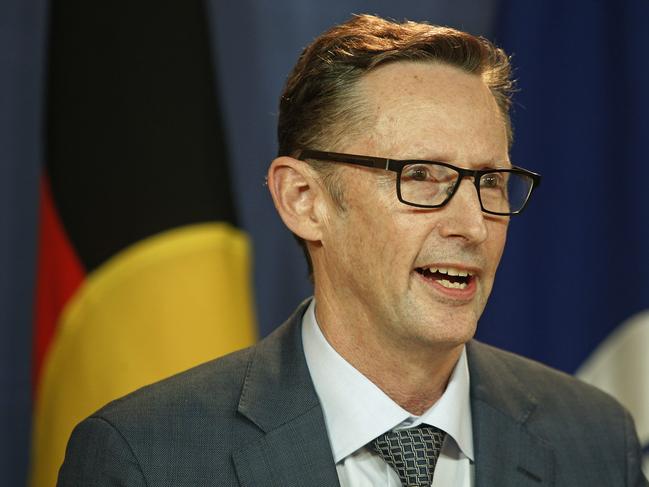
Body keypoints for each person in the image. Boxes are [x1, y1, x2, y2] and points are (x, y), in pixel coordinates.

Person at [58, 14, 647, 486]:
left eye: (490, 180)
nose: (473, 224)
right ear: (304, 199)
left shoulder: (593, 439)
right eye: (422, 174)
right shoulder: (145, 458)